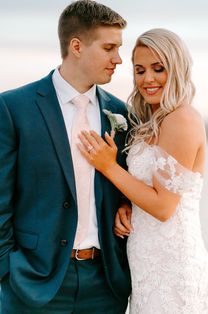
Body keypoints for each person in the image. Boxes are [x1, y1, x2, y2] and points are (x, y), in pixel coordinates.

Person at [0, 1, 131, 313]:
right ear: (77, 46)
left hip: (104, 284)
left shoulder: (119, 112)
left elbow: (123, 182)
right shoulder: (14, 107)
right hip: (31, 283)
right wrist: (7, 269)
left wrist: (125, 206)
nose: (118, 59)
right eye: (109, 48)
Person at [78, 28, 208, 313]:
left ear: (176, 68)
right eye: (140, 70)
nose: (147, 79)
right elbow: (149, 187)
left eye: (158, 68)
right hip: (146, 269)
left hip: (175, 270)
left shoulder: (182, 119)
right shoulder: (151, 121)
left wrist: (108, 166)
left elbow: (164, 206)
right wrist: (126, 205)